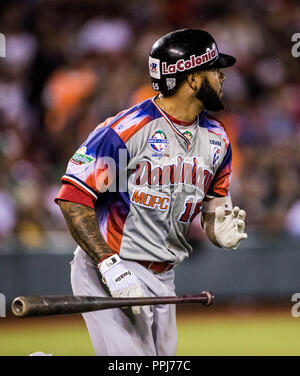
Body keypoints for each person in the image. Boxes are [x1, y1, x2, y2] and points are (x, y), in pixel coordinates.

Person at [55, 28, 247, 356]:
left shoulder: (217, 136)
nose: (222, 77)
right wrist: (109, 266)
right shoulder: (126, 130)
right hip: (111, 266)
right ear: (192, 80)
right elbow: (74, 199)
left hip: (165, 275)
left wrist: (219, 230)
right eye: (214, 70)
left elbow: (215, 207)